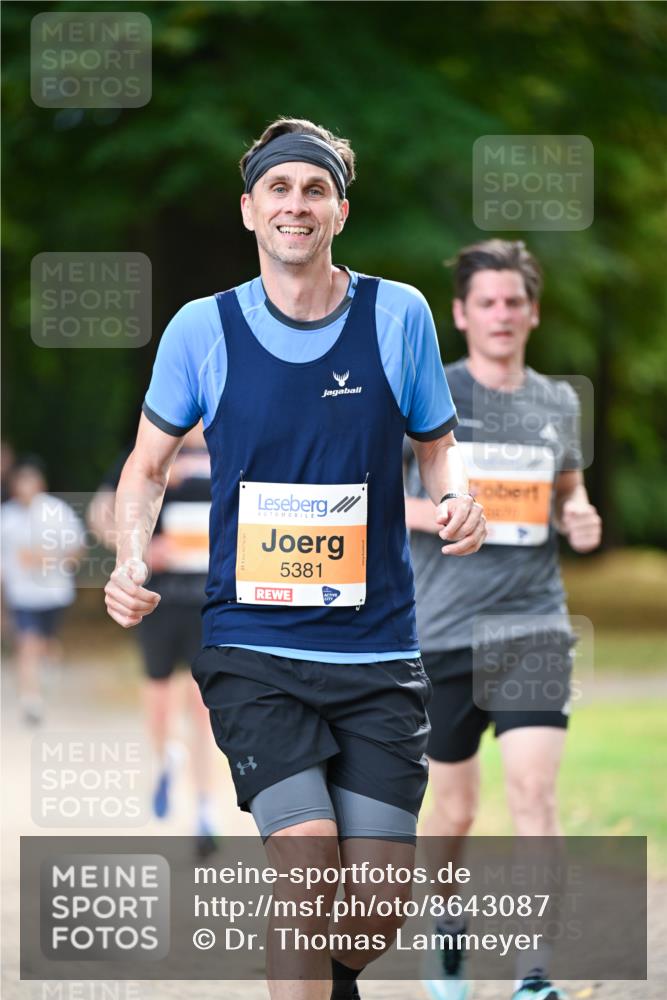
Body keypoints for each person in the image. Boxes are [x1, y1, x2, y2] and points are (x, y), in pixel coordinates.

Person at [103, 117, 486, 1000]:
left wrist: (456, 496)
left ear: (339, 212)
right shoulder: (202, 329)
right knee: (306, 862)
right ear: (249, 209)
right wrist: (129, 557)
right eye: (278, 188)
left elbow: (437, 446)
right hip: (253, 649)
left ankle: (322, 974)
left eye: (315, 190)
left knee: (376, 904)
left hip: (377, 651)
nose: (296, 204)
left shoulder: (397, 315)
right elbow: (146, 466)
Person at [404, 240, 602, 1000]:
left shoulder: (558, 402)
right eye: (485, 302)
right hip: (442, 632)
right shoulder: (430, 395)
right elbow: (379, 499)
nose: (500, 314)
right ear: (460, 314)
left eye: (513, 301)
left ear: (533, 312)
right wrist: (451, 513)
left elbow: (568, 490)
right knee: (453, 813)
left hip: (532, 625)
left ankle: (534, 975)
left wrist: (578, 514)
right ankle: (446, 925)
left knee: (533, 796)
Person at [88, 423, 218, 857]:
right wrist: (137, 550)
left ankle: (205, 812)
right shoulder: (152, 446)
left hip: (210, 602)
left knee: (203, 711)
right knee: (159, 707)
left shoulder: (231, 439)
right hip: (157, 600)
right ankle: (166, 760)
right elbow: (99, 512)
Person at [1, 456, 85, 724]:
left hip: (54, 593)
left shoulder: (57, 511)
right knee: (28, 642)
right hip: (22, 594)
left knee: (46, 643)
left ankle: (46, 669)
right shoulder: (6, 517)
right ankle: (31, 700)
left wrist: (49, 559)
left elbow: (77, 549)